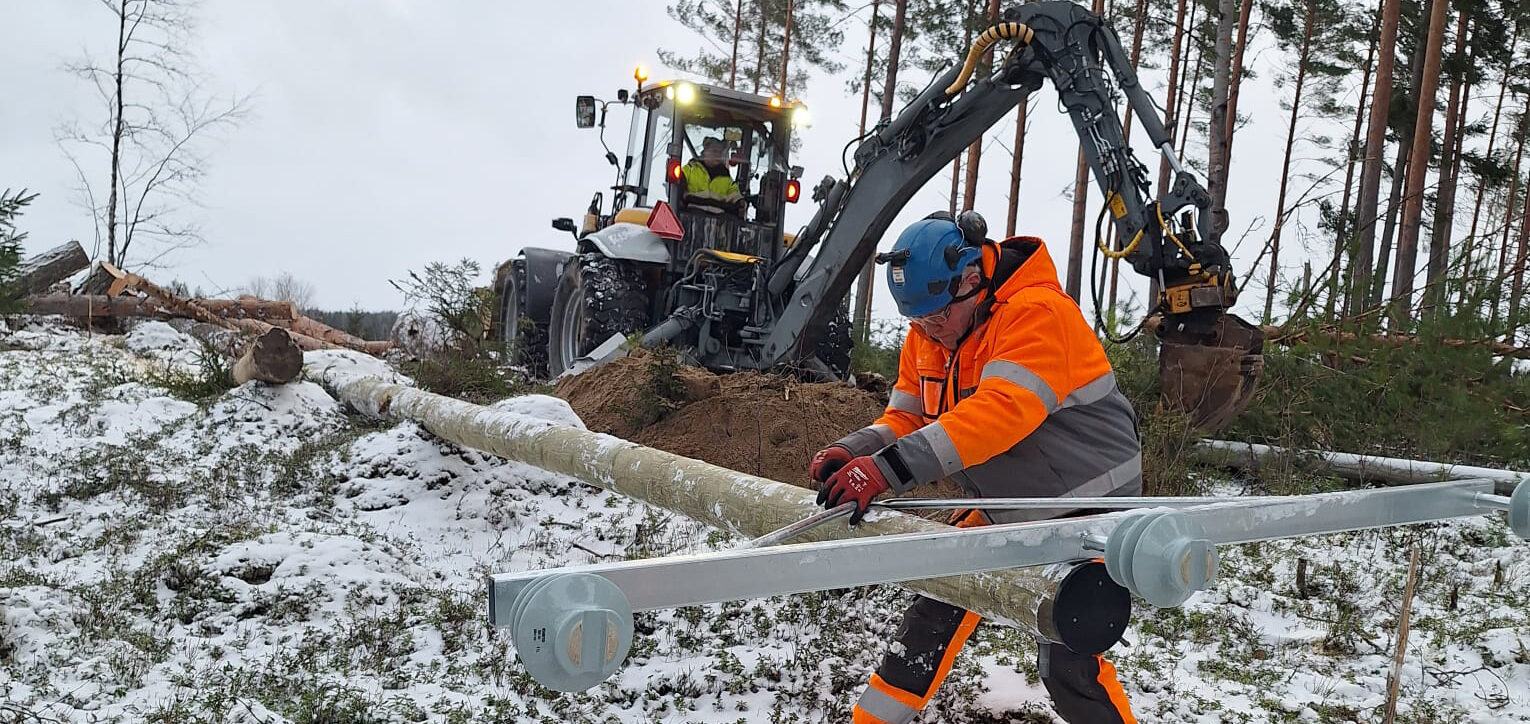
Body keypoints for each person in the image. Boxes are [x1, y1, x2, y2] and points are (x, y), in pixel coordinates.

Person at [809, 212, 1141, 724]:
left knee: (1070, 657)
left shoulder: (1038, 314)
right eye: (916, 322)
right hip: (1007, 505)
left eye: (936, 319)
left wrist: (888, 471)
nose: (927, 332)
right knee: (931, 614)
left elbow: (999, 415)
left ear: (971, 280)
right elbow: (909, 414)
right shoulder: (932, 324)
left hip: (1087, 515)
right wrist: (856, 449)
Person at [681, 136, 742, 204]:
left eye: (720, 152)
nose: (717, 155)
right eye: (714, 151)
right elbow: (678, 187)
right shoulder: (690, 170)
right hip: (690, 211)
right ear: (705, 152)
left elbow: (735, 195)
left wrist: (740, 202)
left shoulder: (726, 178)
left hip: (718, 213)